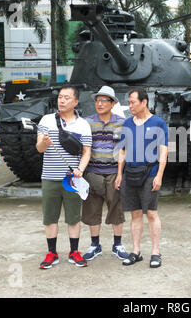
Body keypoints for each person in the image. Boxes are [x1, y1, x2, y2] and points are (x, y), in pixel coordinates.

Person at [36, 86, 92, 269]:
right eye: (60, 97)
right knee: (50, 217)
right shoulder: (47, 120)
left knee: (73, 218)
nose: (62, 100)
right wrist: (43, 143)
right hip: (50, 177)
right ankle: (52, 253)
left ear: (75, 102)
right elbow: (39, 148)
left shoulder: (83, 124)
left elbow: (86, 152)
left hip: (72, 180)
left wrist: (80, 169)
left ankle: (74, 252)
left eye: (67, 98)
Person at [115, 87, 168, 268]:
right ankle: (136, 251)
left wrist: (159, 175)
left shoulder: (158, 123)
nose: (130, 106)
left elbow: (163, 151)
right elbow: (122, 150)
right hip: (130, 173)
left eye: (133, 102)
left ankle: (155, 252)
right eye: (129, 102)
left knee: (152, 213)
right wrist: (119, 174)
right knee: (135, 214)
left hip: (150, 173)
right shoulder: (127, 124)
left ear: (144, 102)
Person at [81, 86, 129, 261]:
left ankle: (117, 245)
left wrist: (120, 174)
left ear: (113, 103)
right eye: (97, 100)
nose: (99, 103)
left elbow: (123, 150)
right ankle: (95, 245)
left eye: (104, 100)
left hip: (113, 172)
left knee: (117, 209)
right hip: (93, 172)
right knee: (92, 210)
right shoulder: (87, 122)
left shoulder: (121, 123)